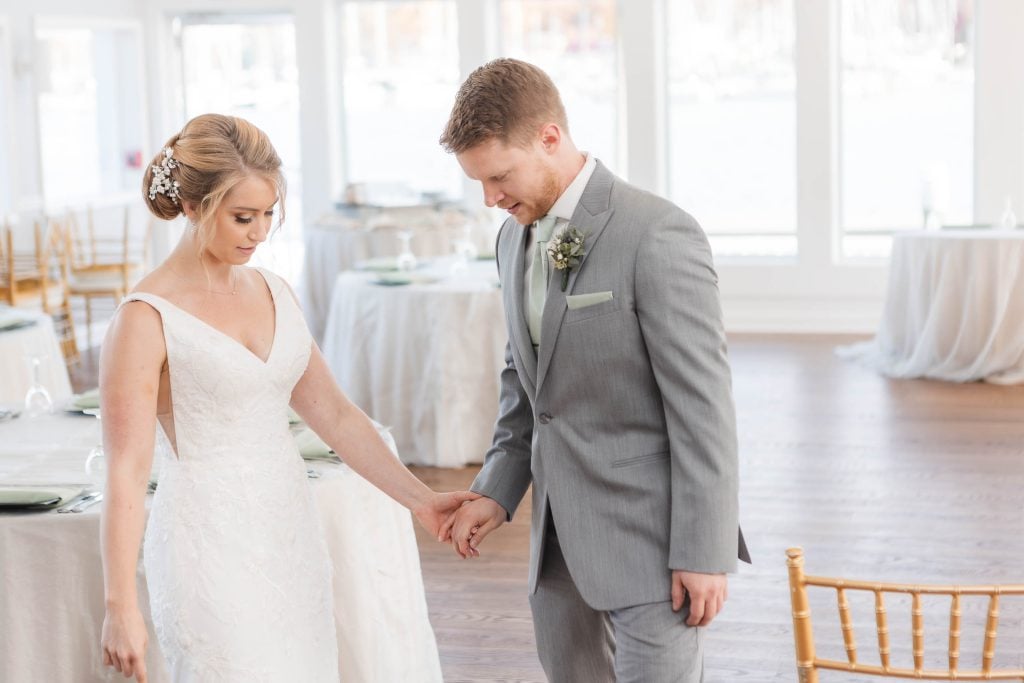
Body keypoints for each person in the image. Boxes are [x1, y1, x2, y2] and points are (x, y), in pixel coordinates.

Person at [99, 113, 476, 682]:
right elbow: (125, 471)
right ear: (193, 206)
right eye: (243, 217)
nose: (259, 233)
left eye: (270, 214)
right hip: (207, 544)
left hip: (289, 530)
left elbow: (338, 416)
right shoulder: (144, 318)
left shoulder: (275, 290)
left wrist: (419, 499)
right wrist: (120, 606)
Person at [438, 59, 750, 682]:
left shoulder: (657, 233)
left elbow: (703, 408)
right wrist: (496, 492)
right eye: (478, 182)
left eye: (499, 176)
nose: (491, 198)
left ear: (549, 138)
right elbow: (525, 384)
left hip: (653, 544)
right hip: (555, 547)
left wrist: (705, 551)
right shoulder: (512, 239)